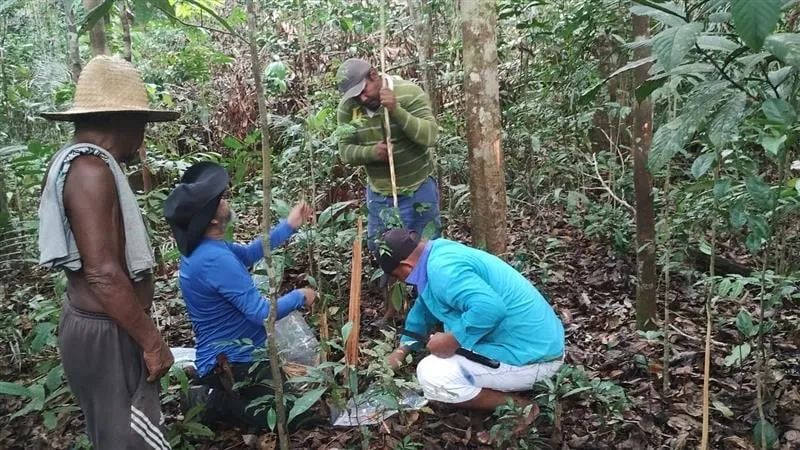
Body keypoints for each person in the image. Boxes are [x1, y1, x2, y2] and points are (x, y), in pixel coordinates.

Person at [38, 55, 178, 450]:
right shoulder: (89, 170)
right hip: (106, 331)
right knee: (128, 442)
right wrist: (152, 341)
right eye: (143, 125)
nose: (144, 138)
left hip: (104, 326)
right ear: (126, 120)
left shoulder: (83, 163)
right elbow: (102, 272)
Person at [163, 161, 316, 429]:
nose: (226, 200)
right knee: (293, 417)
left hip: (243, 352)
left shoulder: (210, 247)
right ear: (211, 217)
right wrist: (300, 296)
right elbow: (260, 313)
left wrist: (289, 225)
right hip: (233, 361)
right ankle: (210, 401)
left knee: (297, 407)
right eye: (220, 199)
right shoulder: (212, 259)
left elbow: (248, 254)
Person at [378, 228, 565, 417]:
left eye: (396, 275)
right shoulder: (439, 254)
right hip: (537, 344)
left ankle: (523, 408)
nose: (400, 280)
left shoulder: (444, 270)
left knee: (432, 375)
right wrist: (403, 349)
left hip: (534, 358)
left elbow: (490, 308)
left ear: (407, 266)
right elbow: (425, 306)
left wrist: (453, 339)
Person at [335, 58, 441, 249]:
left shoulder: (409, 92)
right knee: (382, 252)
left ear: (374, 75)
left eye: (363, 91)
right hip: (379, 194)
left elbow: (430, 136)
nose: (362, 99)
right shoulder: (348, 108)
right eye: (355, 96)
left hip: (418, 189)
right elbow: (345, 151)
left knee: (426, 250)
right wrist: (371, 153)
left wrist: (396, 110)